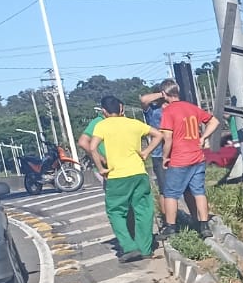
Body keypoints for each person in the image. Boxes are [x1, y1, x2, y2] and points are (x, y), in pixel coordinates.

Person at [86, 95, 164, 262]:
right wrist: (146, 152)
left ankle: (128, 246)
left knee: (116, 211)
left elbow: (92, 147)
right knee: (143, 210)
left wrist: (101, 168)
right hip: (139, 173)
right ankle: (145, 248)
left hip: (116, 176)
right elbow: (158, 135)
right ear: (121, 109)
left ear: (104, 111)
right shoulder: (134, 123)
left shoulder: (102, 125)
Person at [156, 81, 219, 237]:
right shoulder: (191, 108)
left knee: (170, 193)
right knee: (199, 191)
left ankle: (171, 227)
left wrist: (165, 157)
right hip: (197, 156)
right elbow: (214, 121)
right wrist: (203, 137)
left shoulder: (169, 111)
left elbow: (168, 138)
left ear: (164, 94)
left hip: (179, 158)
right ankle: (204, 225)